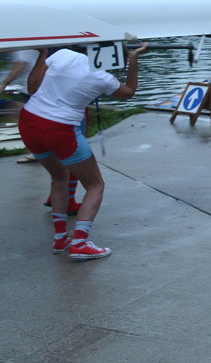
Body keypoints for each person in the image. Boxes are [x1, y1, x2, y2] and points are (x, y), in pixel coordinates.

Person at [18, 44, 147, 260]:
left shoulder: (62, 55)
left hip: (29, 121)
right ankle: (79, 242)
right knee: (95, 185)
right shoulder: (103, 78)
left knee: (59, 176)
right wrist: (134, 58)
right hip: (60, 129)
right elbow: (129, 92)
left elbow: (32, 88)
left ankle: (60, 239)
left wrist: (42, 53)